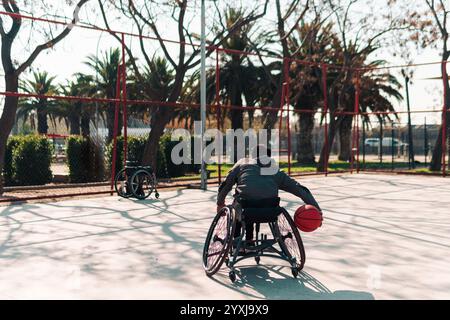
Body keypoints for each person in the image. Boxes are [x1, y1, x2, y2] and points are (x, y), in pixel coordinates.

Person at [216, 144, 321, 241]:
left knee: (241, 202)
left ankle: (238, 240)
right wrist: (318, 211)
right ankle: (249, 241)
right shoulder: (276, 171)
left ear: (252, 156)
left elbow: (226, 184)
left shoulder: (242, 163)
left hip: (245, 209)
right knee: (251, 201)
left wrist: (220, 203)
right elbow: (300, 189)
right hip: (271, 211)